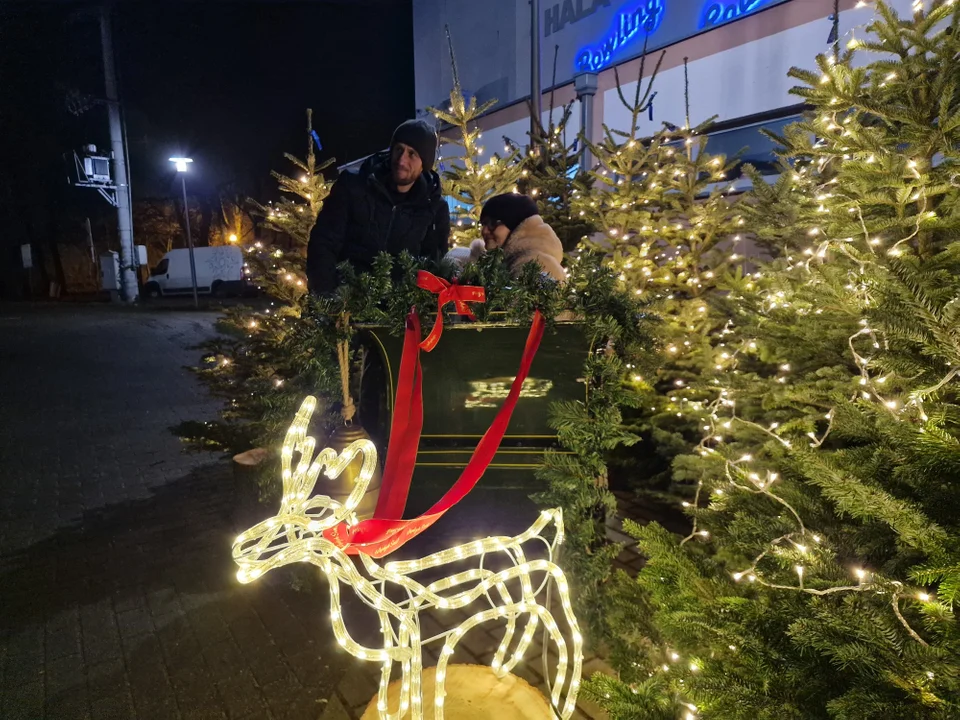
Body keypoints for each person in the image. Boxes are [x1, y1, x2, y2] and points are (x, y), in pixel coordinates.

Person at [307, 119, 451, 294]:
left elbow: (432, 267)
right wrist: (328, 296)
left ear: (424, 164)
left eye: (412, 153)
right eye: (399, 149)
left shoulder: (434, 208)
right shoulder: (353, 186)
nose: (402, 160)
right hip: (346, 300)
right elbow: (324, 242)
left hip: (399, 311)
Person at [446, 193, 565, 282]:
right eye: (484, 224)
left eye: (492, 224)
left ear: (517, 227)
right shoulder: (506, 261)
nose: (484, 231)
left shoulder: (537, 265)